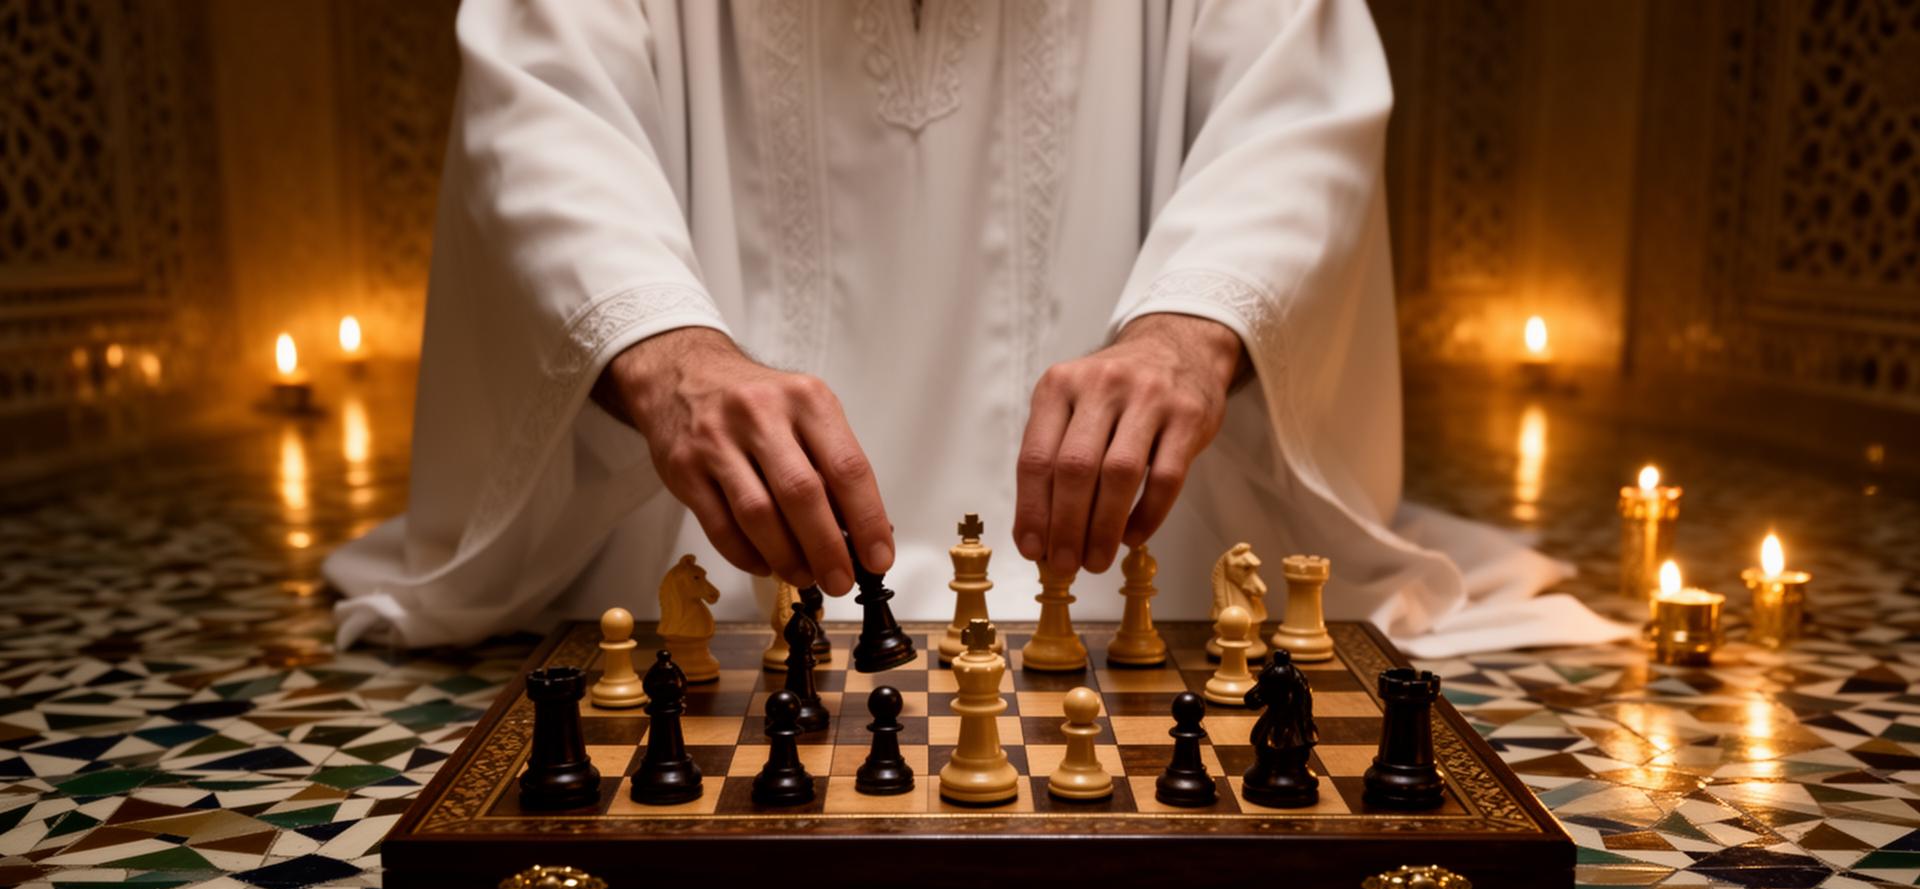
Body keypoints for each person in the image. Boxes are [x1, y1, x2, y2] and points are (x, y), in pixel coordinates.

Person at [325, 0, 1627, 657]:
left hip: (1153, 594)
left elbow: (1296, 104)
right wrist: (668, 355)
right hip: (690, 589)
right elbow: (544, 105)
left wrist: (1188, 330)